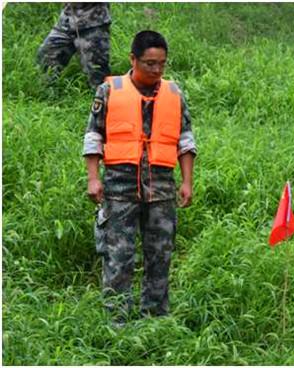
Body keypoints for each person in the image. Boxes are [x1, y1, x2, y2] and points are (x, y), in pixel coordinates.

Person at [82, 30, 196, 326]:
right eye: (149, 63)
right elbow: (93, 136)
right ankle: (116, 323)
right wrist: (93, 178)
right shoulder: (109, 91)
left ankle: (155, 319)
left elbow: (185, 141)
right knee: (118, 259)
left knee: (160, 257)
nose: (157, 70)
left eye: (161, 64)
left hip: (161, 192)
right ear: (133, 59)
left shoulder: (174, 93)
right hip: (120, 190)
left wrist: (186, 182)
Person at [37, 3, 111, 89]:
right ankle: (46, 93)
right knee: (46, 54)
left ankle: (103, 98)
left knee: (96, 72)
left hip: (93, 22)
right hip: (67, 21)